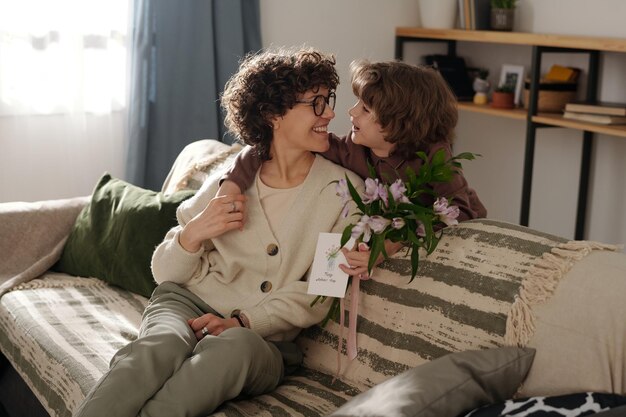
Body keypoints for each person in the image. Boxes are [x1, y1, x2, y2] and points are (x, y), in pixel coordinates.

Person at [73, 46, 363, 417]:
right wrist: (192, 234)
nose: (330, 113)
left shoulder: (345, 194)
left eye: (329, 99)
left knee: (229, 352)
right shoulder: (228, 181)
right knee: (155, 349)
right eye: (317, 102)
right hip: (184, 304)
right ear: (273, 114)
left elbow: (320, 292)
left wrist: (243, 321)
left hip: (261, 341)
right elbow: (165, 273)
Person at [219, 60, 487, 278]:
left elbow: (459, 214)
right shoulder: (350, 149)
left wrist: (391, 244)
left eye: (365, 109)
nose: (350, 111)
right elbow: (268, 147)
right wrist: (231, 184)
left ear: (400, 123)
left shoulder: (433, 155)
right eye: (357, 102)